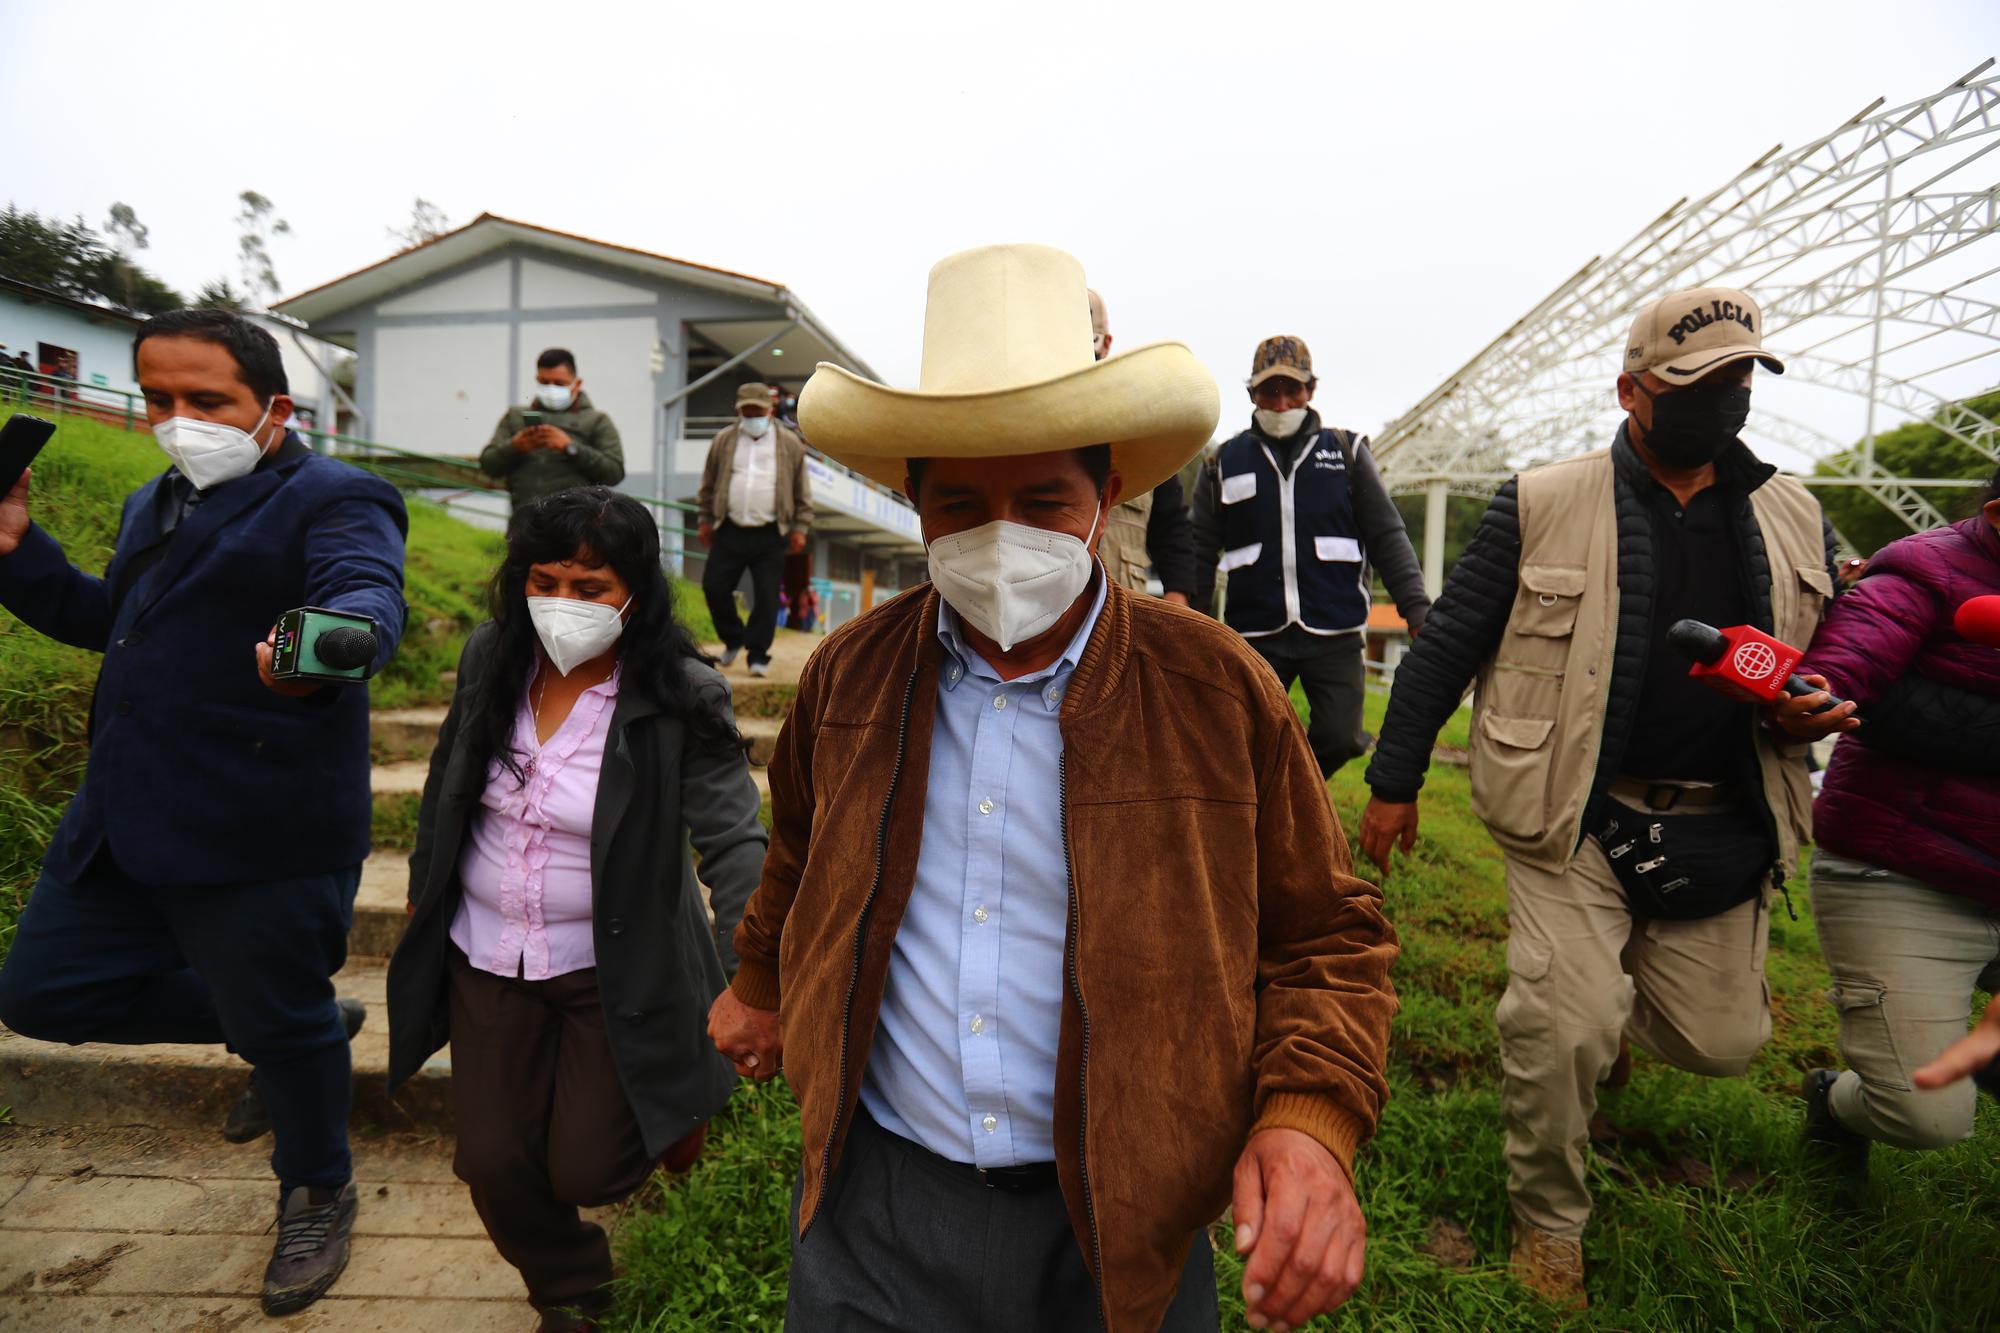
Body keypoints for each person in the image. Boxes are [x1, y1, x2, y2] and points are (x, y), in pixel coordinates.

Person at [706, 244, 1399, 1332]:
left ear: (1106, 494)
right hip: (876, 1200)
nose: (1000, 539)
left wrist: (1306, 1120)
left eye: (1041, 498)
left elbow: (1324, 935)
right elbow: (798, 848)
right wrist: (755, 980)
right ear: (912, 501)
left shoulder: (1216, 690)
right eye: (961, 507)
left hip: (1125, 1220)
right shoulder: (849, 676)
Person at [1355, 286, 1854, 1307]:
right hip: (1569, 813)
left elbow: (1836, 646)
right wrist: (1393, 782)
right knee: (1560, 1022)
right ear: (1632, 390)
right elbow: (1447, 642)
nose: (1721, 402)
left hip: (1720, 813)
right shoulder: (1541, 498)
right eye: (1694, 383)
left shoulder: (1789, 510)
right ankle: (1548, 1220)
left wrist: (1811, 703)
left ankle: (1613, 1016)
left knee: (1724, 1046)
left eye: (1738, 381)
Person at [0, 309, 408, 1315]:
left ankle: (316, 1186)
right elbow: (114, 622)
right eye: (158, 399)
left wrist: (315, 651)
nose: (179, 420)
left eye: (207, 401)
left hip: (257, 826)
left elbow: (363, 602)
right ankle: (298, 1033)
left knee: (281, 1019)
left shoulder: (338, 495)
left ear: (274, 406)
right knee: (43, 995)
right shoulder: (156, 499)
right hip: (122, 815)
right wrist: (16, 548)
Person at [386, 486, 765, 1332]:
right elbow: (449, 775)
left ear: (635, 589)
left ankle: (678, 1109)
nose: (561, 603)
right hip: (487, 952)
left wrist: (754, 973)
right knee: (492, 1161)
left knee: (588, 1165)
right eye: (543, 579)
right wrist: (424, 877)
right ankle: (570, 1285)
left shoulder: (680, 692)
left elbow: (736, 839)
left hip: (612, 962)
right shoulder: (494, 656)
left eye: (588, 586)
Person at [1788, 468, 2000, 1171]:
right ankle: (1834, 1100)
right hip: (1905, 868)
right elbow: (1850, 656)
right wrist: (1821, 690)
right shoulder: (1924, 566)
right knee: (1924, 1112)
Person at [1190, 335, 1431, 778]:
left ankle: (1293, 793)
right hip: (1254, 630)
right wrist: (1188, 616)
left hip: (1333, 627)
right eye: (1269, 391)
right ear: (1251, 394)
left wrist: (1416, 608)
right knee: (1239, 741)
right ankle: (1263, 820)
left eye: (1291, 390)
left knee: (1342, 736)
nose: (1281, 403)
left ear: (1310, 390)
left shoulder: (1346, 452)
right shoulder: (1223, 461)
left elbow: (1387, 535)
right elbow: (1200, 546)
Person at [1087, 288, 1197, 604]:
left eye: (1088, 346)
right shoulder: (1026, 430)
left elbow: (1172, 528)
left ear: (1106, 343)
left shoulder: (1143, 430)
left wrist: (1177, 607)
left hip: (1127, 620)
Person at [696, 382, 813, 676]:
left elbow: (802, 490)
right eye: (745, 411)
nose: (751, 416)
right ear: (738, 411)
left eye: (756, 411)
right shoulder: (723, 440)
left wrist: (799, 527)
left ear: (770, 410)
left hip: (770, 533)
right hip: (730, 528)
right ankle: (734, 638)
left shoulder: (789, 444)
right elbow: (708, 484)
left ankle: (758, 654)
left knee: (767, 594)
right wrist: (704, 519)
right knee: (714, 586)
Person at [479, 348, 626, 509]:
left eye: (559, 383)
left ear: (577, 384)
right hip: (526, 521)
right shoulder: (515, 416)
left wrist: (570, 447)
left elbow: (614, 473)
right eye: (544, 382)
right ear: (537, 379)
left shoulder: (597, 420)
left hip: (575, 522)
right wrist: (515, 446)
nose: (551, 389)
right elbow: (488, 464)